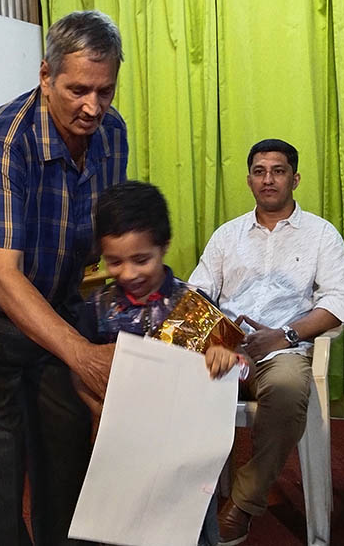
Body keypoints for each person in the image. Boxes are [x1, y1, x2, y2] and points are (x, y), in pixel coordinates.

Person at [0, 9, 129, 545]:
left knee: (65, 456)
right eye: (77, 90)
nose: (93, 107)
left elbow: (106, 247)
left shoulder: (112, 134)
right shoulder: (5, 138)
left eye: (105, 90)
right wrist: (84, 356)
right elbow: (3, 278)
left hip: (54, 303)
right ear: (46, 76)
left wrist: (131, 318)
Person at [187, 139, 344, 546]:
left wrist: (284, 335)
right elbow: (198, 292)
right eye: (260, 171)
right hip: (227, 348)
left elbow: (339, 301)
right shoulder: (228, 236)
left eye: (278, 171)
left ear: (294, 179)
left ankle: (243, 502)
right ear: (249, 180)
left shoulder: (320, 235)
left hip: (283, 348)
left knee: (286, 387)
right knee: (171, 380)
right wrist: (217, 339)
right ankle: (182, 499)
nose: (268, 179)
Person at [77, 180, 244, 546]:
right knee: (117, 530)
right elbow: (80, 368)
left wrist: (222, 357)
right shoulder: (97, 307)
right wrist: (94, 404)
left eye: (141, 259)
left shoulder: (193, 307)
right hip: (120, 453)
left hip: (181, 460)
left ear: (164, 246)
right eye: (114, 262)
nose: (128, 274)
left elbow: (237, 368)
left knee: (186, 532)